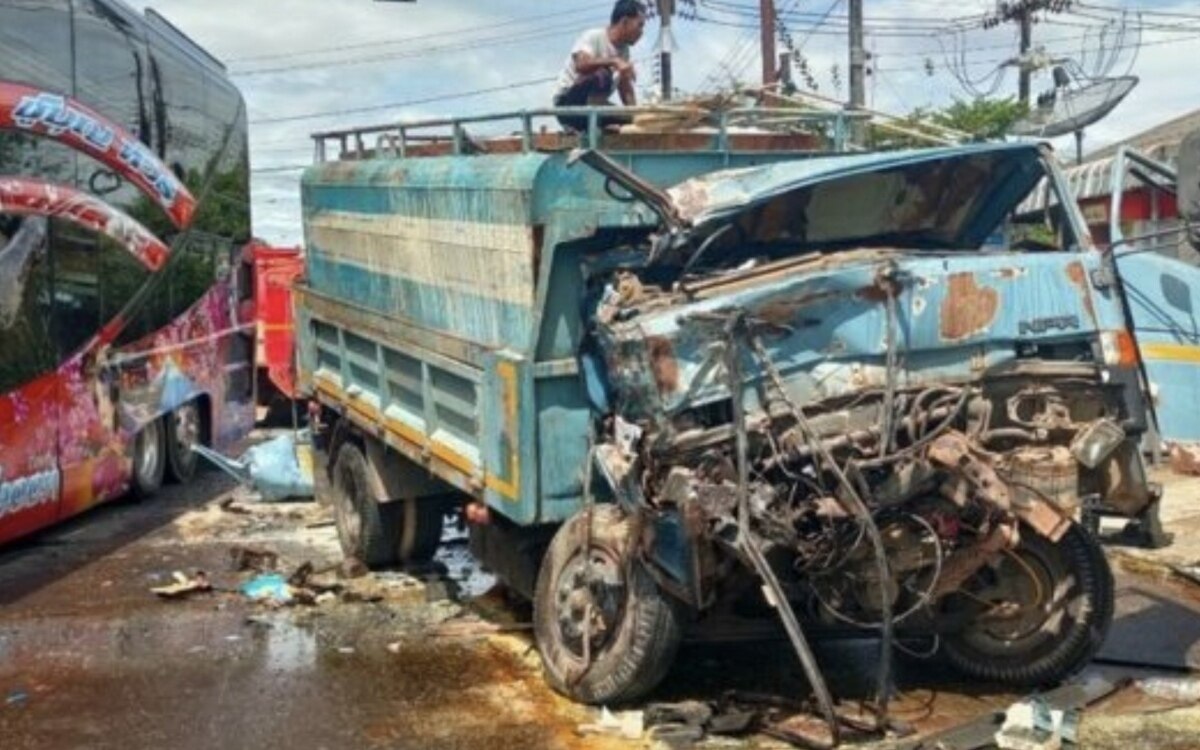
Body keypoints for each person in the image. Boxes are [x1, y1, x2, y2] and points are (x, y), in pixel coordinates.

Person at [553, 0, 646, 133]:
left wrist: (635, 114)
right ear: (625, 22)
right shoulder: (593, 36)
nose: (641, 32)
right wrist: (614, 61)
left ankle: (596, 124)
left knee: (629, 119)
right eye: (639, 25)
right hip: (568, 105)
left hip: (595, 107)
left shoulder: (624, 50)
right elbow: (580, 65)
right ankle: (591, 122)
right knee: (602, 74)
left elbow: (625, 88)